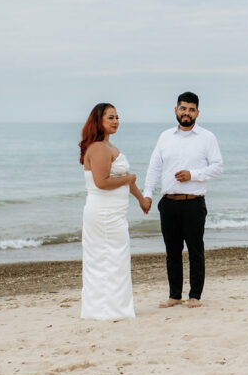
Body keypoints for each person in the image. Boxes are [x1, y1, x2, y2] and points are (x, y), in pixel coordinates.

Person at [142, 92, 223, 309]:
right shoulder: (165, 137)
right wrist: (147, 194)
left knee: (195, 251)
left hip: (193, 203)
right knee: (172, 252)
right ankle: (175, 295)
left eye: (191, 109)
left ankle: (195, 296)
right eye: (183, 108)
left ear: (197, 112)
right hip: (168, 203)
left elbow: (217, 166)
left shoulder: (207, 137)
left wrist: (193, 175)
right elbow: (154, 168)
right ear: (176, 110)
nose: (187, 113)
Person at [78, 103, 150, 320]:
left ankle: (113, 308)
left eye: (117, 117)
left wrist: (141, 199)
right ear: (98, 121)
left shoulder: (110, 147)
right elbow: (102, 182)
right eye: (110, 117)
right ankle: (106, 310)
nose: (116, 121)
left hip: (114, 213)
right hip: (104, 213)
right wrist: (128, 179)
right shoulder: (99, 148)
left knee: (115, 259)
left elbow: (124, 177)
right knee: (107, 259)